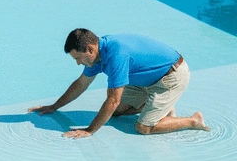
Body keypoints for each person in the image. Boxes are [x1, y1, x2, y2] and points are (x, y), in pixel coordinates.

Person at [28, 28, 210, 139]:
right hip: (145, 80)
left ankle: (193, 120)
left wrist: (90, 130)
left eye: (78, 58)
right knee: (114, 113)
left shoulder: (116, 55)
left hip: (171, 77)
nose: (78, 63)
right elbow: (81, 84)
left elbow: (113, 100)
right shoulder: (97, 56)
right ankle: (162, 107)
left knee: (144, 127)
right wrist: (54, 106)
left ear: (90, 49)